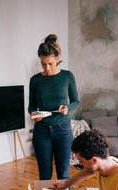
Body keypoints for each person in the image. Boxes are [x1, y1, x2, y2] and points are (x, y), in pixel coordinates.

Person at [28, 34, 79, 180]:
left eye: (50, 63)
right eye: (43, 64)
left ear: (57, 58)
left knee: (63, 175)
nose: (47, 68)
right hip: (41, 133)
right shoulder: (35, 80)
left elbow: (76, 101)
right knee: (45, 176)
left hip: (63, 131)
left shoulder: (67, 76)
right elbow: (31, 106)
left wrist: (67, 108)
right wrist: (33, 114)